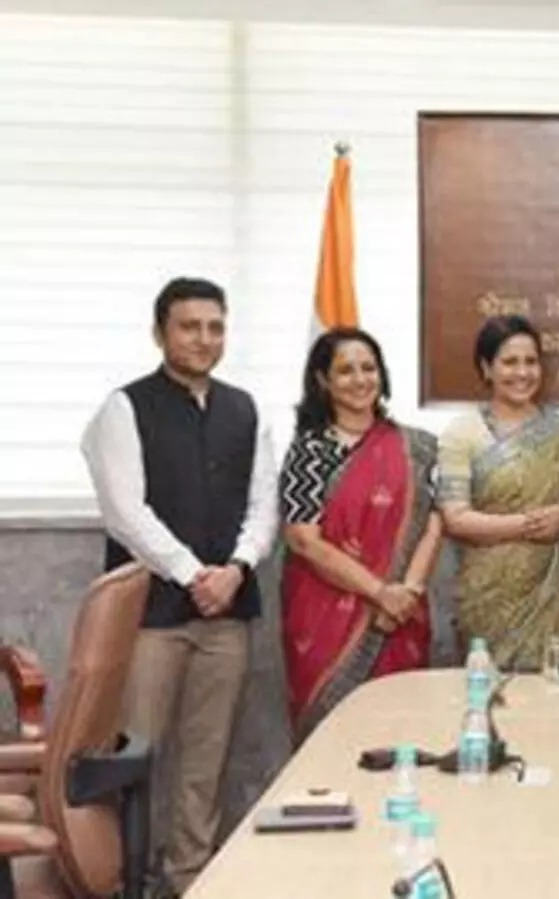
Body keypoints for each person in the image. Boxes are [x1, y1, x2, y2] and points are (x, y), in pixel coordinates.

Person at [79, 277, 277, 895]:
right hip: (150, 616)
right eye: (189, 326)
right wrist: (195, 575)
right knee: (134, 756)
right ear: (159, 332)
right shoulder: (124, 407)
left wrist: (236, 568)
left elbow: (263, 506)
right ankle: (122, 879)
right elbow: (125, 512)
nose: (204, 338)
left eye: (215, 327)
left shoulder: (245, 409)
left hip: (228, 613)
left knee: (207, 760)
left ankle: (190, 877)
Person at [278, 328, 443, 744]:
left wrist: (406, 594)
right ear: (323, 380)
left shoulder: (418, 448)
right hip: (324, 618)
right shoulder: (309, 451)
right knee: (330, 740)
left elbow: (433, 523)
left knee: (400, 736)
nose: (360, 379)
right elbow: (303, 540)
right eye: (345, 370)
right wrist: (379, 593)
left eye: (368, 368)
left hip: (402, 612)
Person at [437, 315, 559, 670]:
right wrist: (528, 525)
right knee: (488, 690)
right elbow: (455, 518)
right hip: (487, 597)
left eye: (531, 361)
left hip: (555, 597)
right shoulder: (462, 433)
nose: (522, 372)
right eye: (510, 362)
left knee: (554, 690)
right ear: (487, 368)